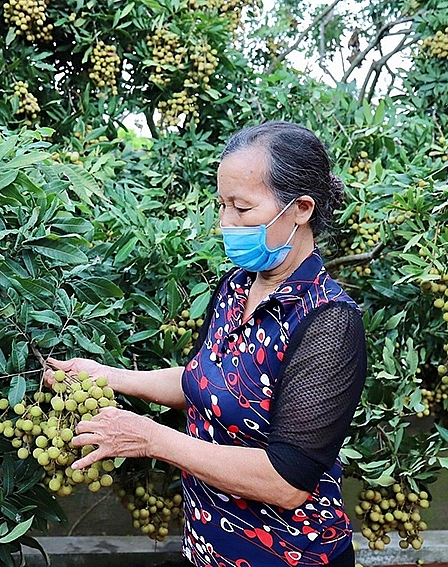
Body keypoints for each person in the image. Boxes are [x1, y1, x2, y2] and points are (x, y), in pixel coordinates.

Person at [44, 121, 367, 567]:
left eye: (242, 207)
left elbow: (287, 482)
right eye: (222, 206)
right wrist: (107, 376)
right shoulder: (235, 288)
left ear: (301, 209)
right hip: (206, 550)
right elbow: (205, 382)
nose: (226, 223)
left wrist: (152, 439)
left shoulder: (327, 321)